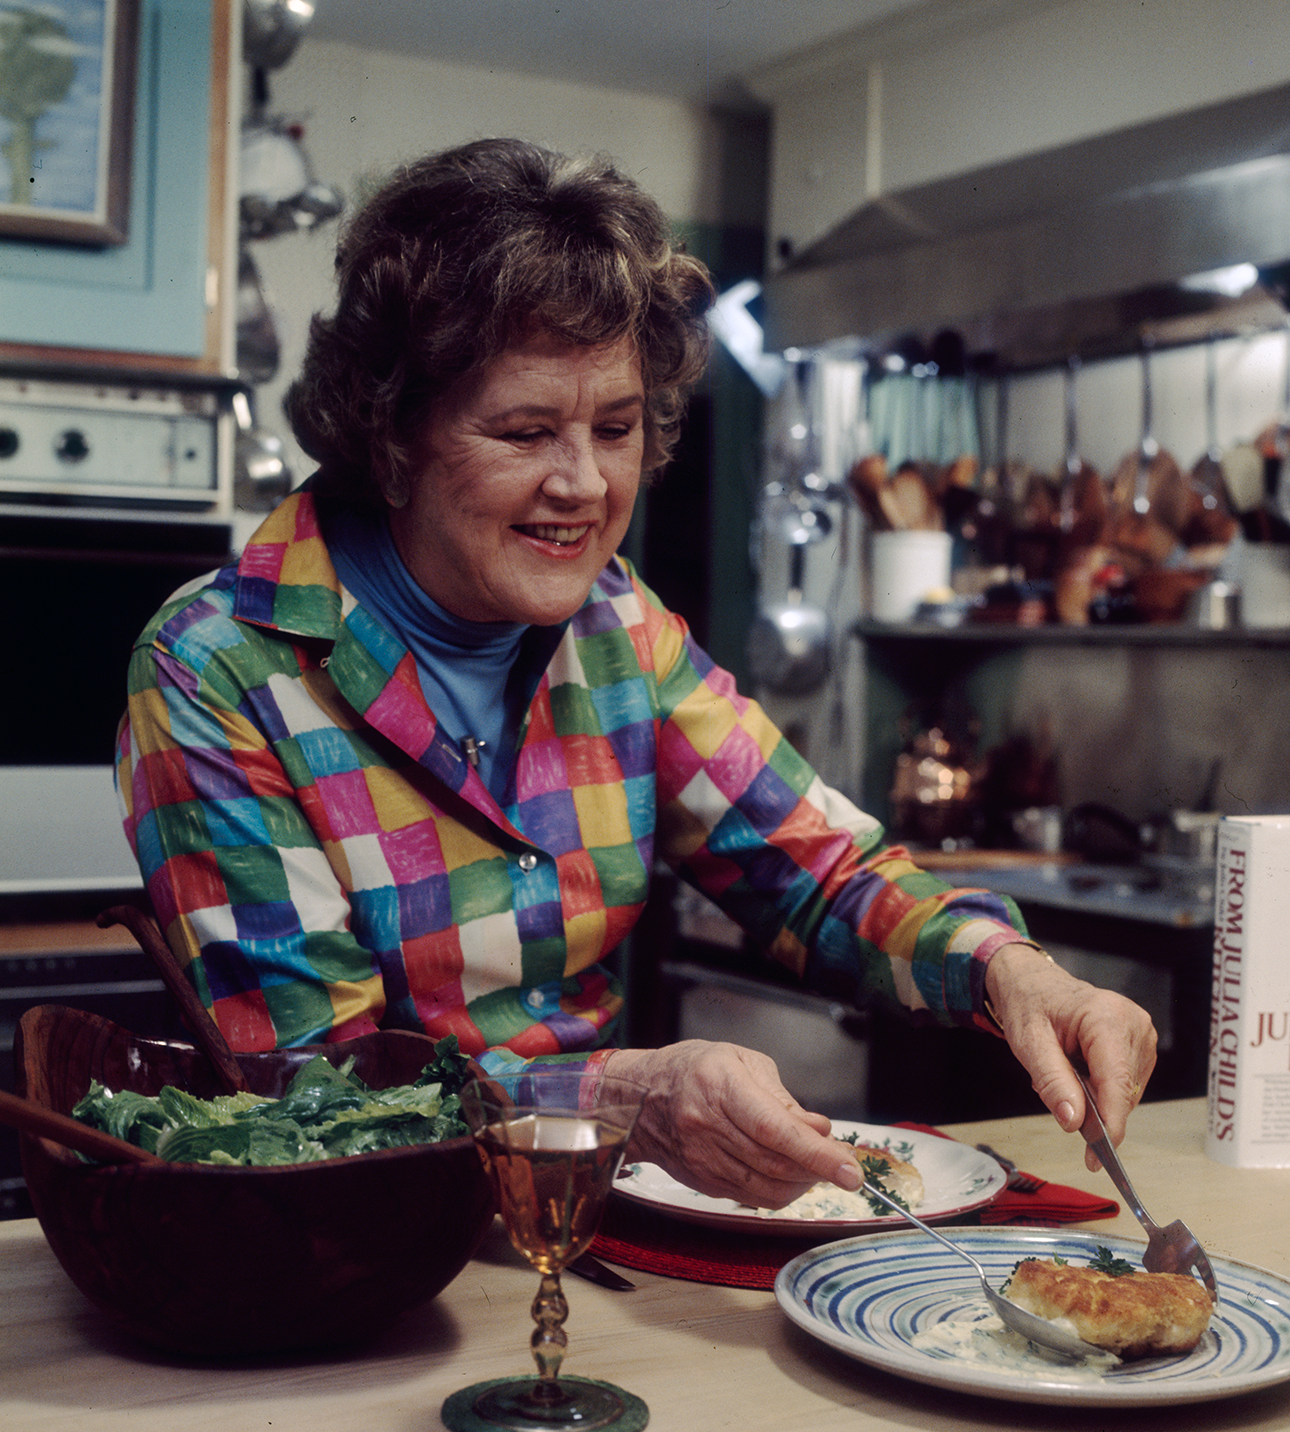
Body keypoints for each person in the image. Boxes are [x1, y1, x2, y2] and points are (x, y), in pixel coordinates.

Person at [117, 138, 1156, 1208]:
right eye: (524, 430)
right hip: (370, 1254)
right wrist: (626, 1098)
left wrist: (1007, 971)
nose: (583, 483)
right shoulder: (218, 672)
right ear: (390, 435)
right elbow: (311, 1096)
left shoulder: (618, 625)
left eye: (613, 427)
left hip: (588, 1231)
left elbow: (824, 876)